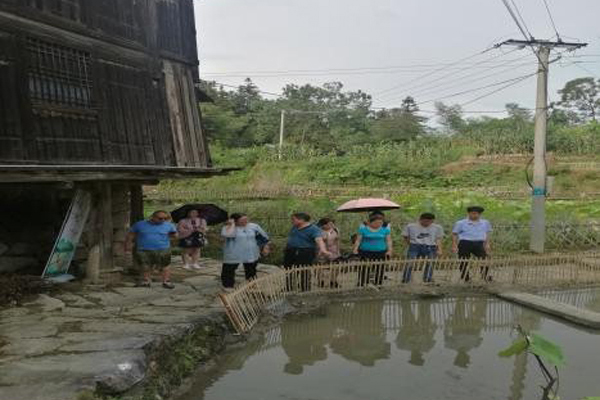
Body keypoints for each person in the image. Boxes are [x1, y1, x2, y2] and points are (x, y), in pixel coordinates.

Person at [126, 210, 177, 289]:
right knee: (145, 265)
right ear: (153, 217)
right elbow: (131, 235)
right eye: (160, 218)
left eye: (165, 218)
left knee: (165, 265)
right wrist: (128, 245)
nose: (163, 220)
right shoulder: (140, 224)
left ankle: (166, 281)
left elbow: (175, 236)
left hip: (163, 248)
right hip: (143, 248)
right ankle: (146, 281)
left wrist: (172, 243)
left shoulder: (169, 225)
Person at [221, 213, 269, 290]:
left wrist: (264, 247)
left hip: (251, 252)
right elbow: (228, 235)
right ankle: (228, 285)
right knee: (229, 269)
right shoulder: (228, 227)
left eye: (246, 219)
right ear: (235, 221)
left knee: (251, 269)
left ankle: (251, 284)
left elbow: (263, 237)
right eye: (242, 220)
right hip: (234, 253)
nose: (245, 221)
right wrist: (232, 224)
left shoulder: (254, 226)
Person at [284, 213, 330, 291]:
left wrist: (323, 249)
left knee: (304, 271)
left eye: (294, 219)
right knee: (289, 270)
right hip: (291, 250)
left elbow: (319, 239)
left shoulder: (313, 229)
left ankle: (305, 288)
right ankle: (289, 287)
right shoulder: (295, 227)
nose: (292, 221)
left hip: (305, 252)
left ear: (301, 220)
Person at [452, 206, 492, 282]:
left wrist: (487, 244)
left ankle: (485, 276)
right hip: (465, 243)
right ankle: (465, 277)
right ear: (468, 213)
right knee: (464, 260)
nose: (475, 215)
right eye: (473, 213)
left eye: (477, 214)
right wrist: (454, 245)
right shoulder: (461, 223)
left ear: (480, 214)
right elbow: (454, 234)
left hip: (479, 243)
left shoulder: (485, 222)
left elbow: (487, 234)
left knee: (484, 259)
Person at [402, 213, 444, 283]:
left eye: (431, 221)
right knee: (410, 262)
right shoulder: (411, 226)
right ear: (420, 219)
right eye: (426, 221)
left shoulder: (437, 227)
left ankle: (427, 279)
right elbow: (405, 236)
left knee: (430, 263)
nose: (428, 223)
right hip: (415, 245)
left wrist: (439, 249)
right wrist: (410, 244)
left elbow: (438, 239)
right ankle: (406, 279)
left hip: (431, 246)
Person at [353, 213, 393, 286]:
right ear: (371, 222)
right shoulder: (363, 229)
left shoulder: (385, 230)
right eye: (376, 222)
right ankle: (363, 282)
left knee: (380, 267)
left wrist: (389, 250)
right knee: (364, 267)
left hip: (380, 251)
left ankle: (378, 283)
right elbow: (358, 240)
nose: (379, 224)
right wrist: (355, 249)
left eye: (381, 222)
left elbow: (388, 240)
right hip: (365, 251)